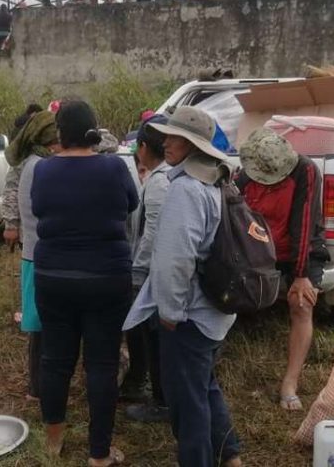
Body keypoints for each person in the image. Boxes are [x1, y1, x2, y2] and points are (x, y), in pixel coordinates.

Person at [122, 107, 241, 467]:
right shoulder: (217, 180)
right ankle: (229, 454)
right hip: (214, 311)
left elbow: (175, 260)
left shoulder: (186, 189)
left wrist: (170, 313)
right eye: (167, 136)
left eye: (176, 138)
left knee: (187, 404)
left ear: (194, 145)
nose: (166, 142)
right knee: (204, 386)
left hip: (189, 315)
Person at [31, 101, 138, 467]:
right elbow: (131, 204)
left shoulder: (44, 170)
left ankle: (53, 442)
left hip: (53, 277)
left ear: (60, 133)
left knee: (55, 360)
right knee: (102, 365)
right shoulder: (115, 166)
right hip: (106, 278)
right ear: (94, 129)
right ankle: (99, 453)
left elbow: (39, 208)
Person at [235, 128, 329, 412]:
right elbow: (237, 216)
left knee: (301, 305)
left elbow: (303, 224)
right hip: (260, 246)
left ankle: (290, 382)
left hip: (299, 249)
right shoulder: (244, 174)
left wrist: (300, 275)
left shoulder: (306, 171)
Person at [1, 110, 60, 401]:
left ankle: (38, 387)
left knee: (40, 326)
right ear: (50, 139)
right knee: (41, 328)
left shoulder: (34, 162)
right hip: (39, 256)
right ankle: (38, 389)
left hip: (35, 254)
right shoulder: (39, 166)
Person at [121, 115, 173, 423]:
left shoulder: (158, 182)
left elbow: (151, 234)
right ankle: (158, 394)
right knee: (150, 338)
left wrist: (137, 272)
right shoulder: (164, 177)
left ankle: (161, 401)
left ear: (142, 148)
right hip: (155, 272)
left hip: (152, 275)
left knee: (152, 339)